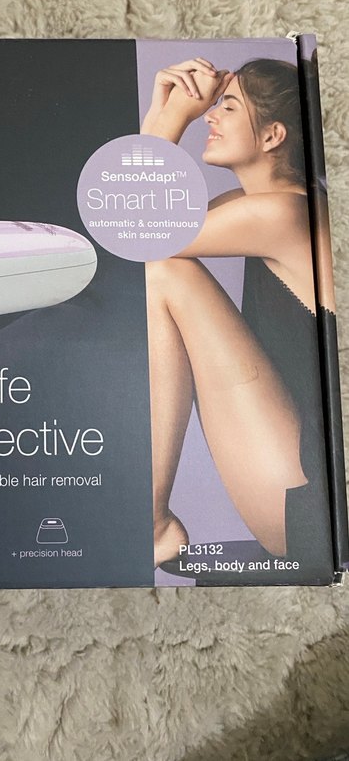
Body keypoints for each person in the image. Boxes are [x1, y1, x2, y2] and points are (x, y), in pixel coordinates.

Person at [141, 57, 335, 567]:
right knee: (161, 263)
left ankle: (153, 524)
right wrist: (161, 113)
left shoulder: (282, 213)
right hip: (307, 485)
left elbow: (139, 233)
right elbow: (134, 220)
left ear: (272, 136)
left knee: (164, 270)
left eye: (227, 106)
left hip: (308, 502)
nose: (210, 114)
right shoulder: (272, 205)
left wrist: (172, 116)